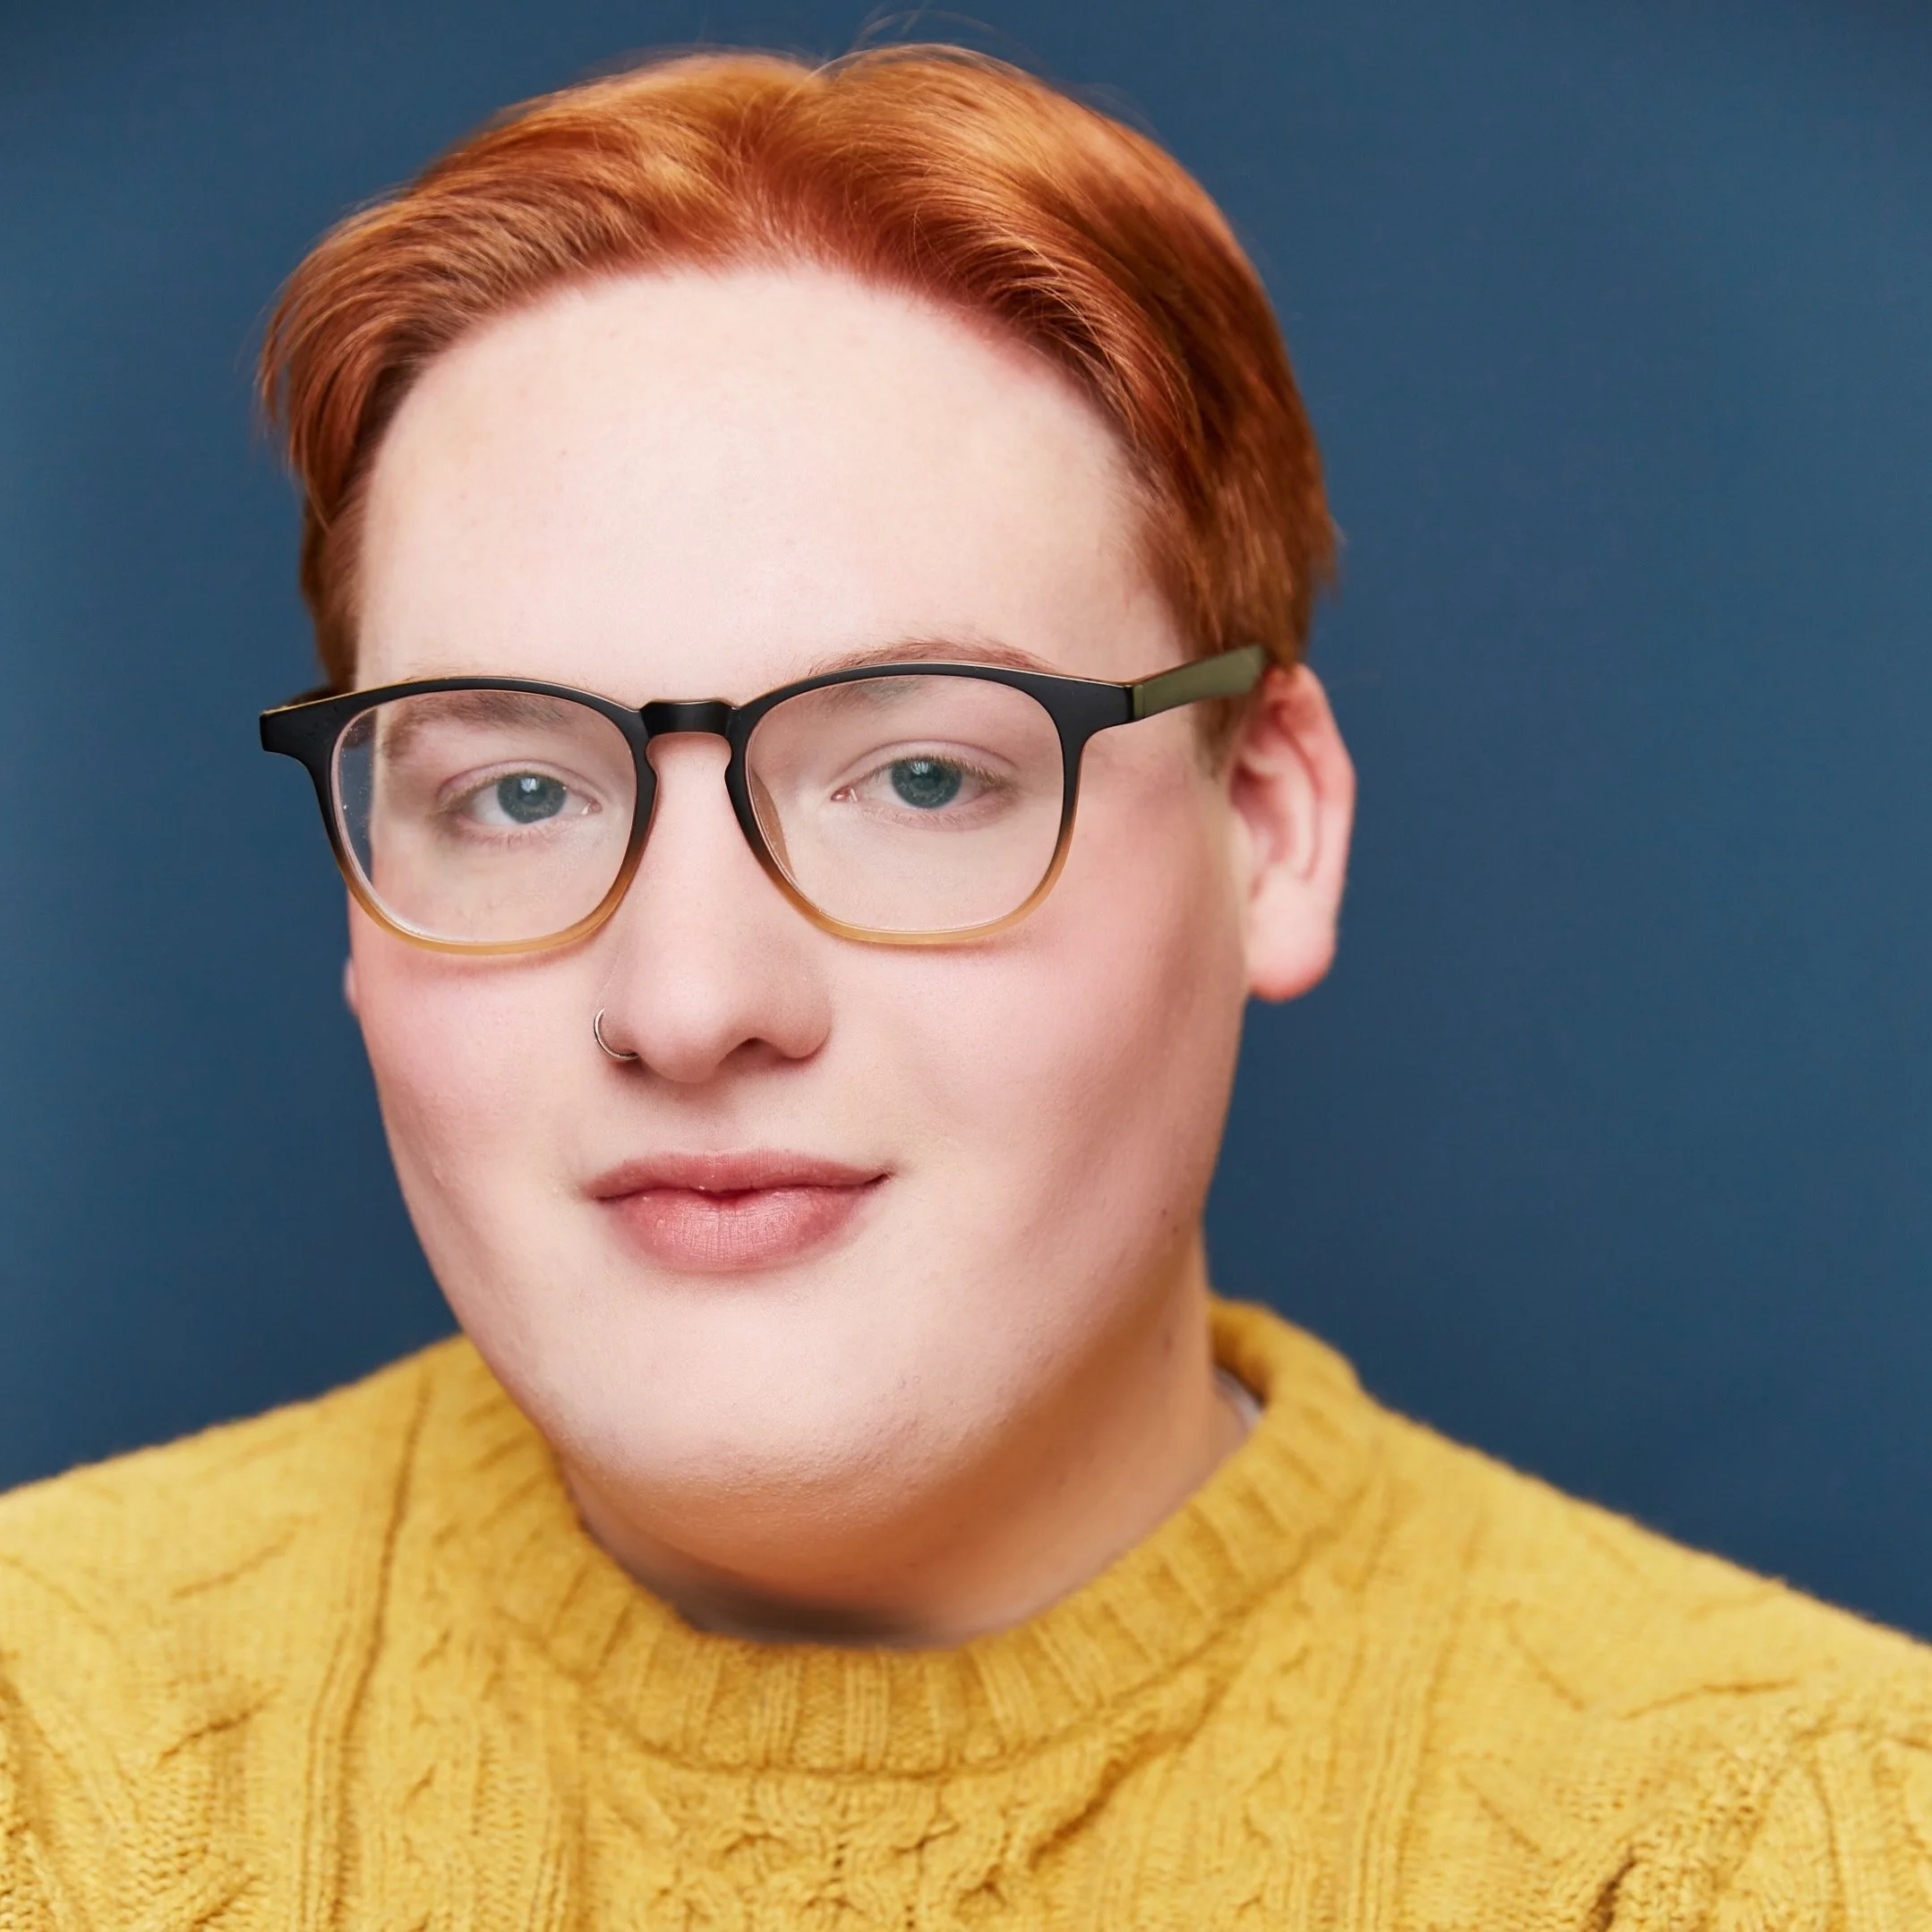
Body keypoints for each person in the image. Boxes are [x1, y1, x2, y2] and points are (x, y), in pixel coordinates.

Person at [2, 44, 1928, 1931]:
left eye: (921, 774)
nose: (687, 1000)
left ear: (1264, 820)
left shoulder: (1788, 1842)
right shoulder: (47, 1744)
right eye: (513, 791)